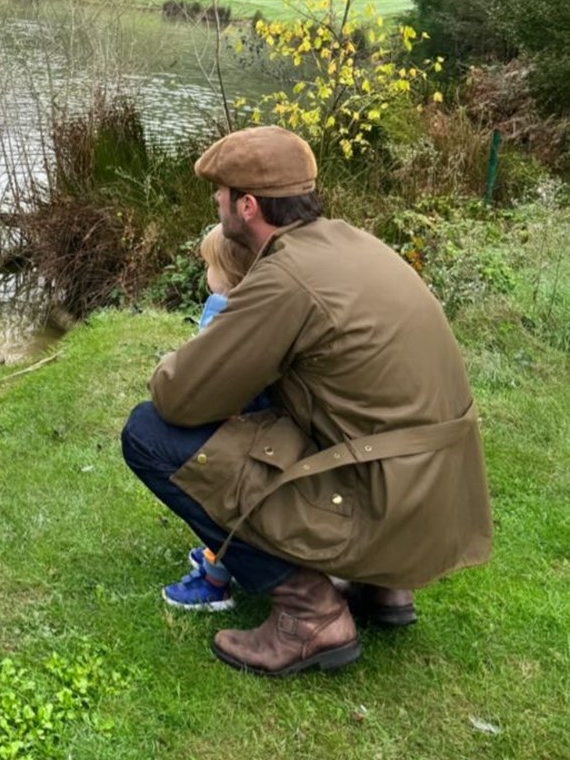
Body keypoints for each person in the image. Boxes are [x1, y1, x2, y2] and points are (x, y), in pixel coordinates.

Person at [121, 126, 492, 678]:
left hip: (390, 502)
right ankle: (385, 588)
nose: (215, 202)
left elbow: (180, 397)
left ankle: (310, 613)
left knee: (148, 434)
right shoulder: (353, 243)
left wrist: (169, 365)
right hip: (440, 502)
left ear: (246, 206)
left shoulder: (286, 277)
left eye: (219, 193)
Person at [161, 223, 267, 612]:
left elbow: (201, 373)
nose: (206, 274)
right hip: (262, 425)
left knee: (220, 501)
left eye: (208, 266)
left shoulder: (224, 312)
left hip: (232, 430)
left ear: (227, 274)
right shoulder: (265, 310)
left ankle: (215, 580)